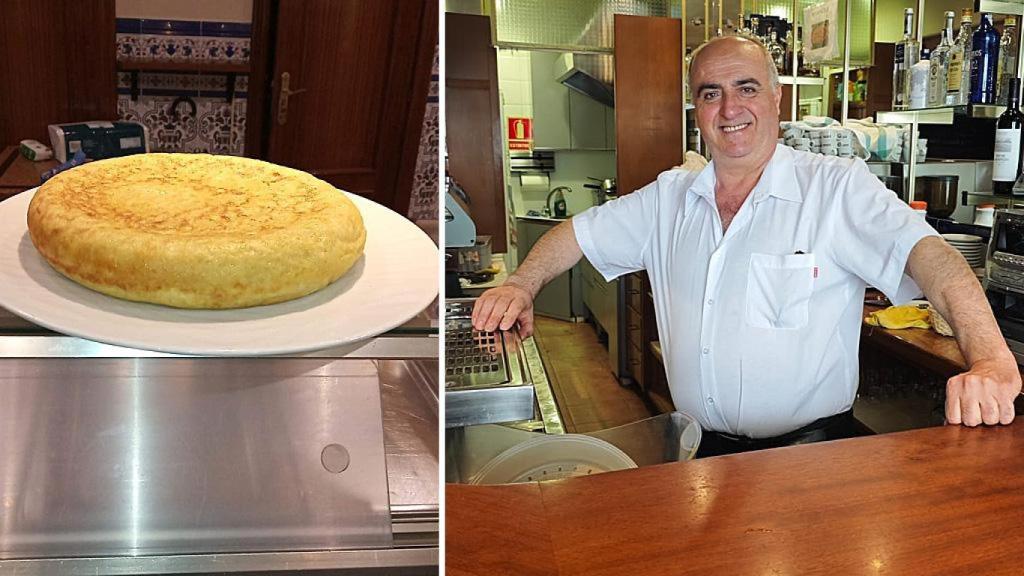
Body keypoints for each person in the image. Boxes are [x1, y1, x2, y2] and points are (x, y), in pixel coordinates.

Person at [471, 35, 1022, 456]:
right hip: (697, 453)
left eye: (746, 88)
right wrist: (522, 282)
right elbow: (577, 234)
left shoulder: (835, 187)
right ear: (697, 109)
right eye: (710, 93)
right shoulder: (670, 197)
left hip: (809, 460)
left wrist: (992, 361)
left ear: (776, 98)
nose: (729, 108)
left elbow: (936, 261)